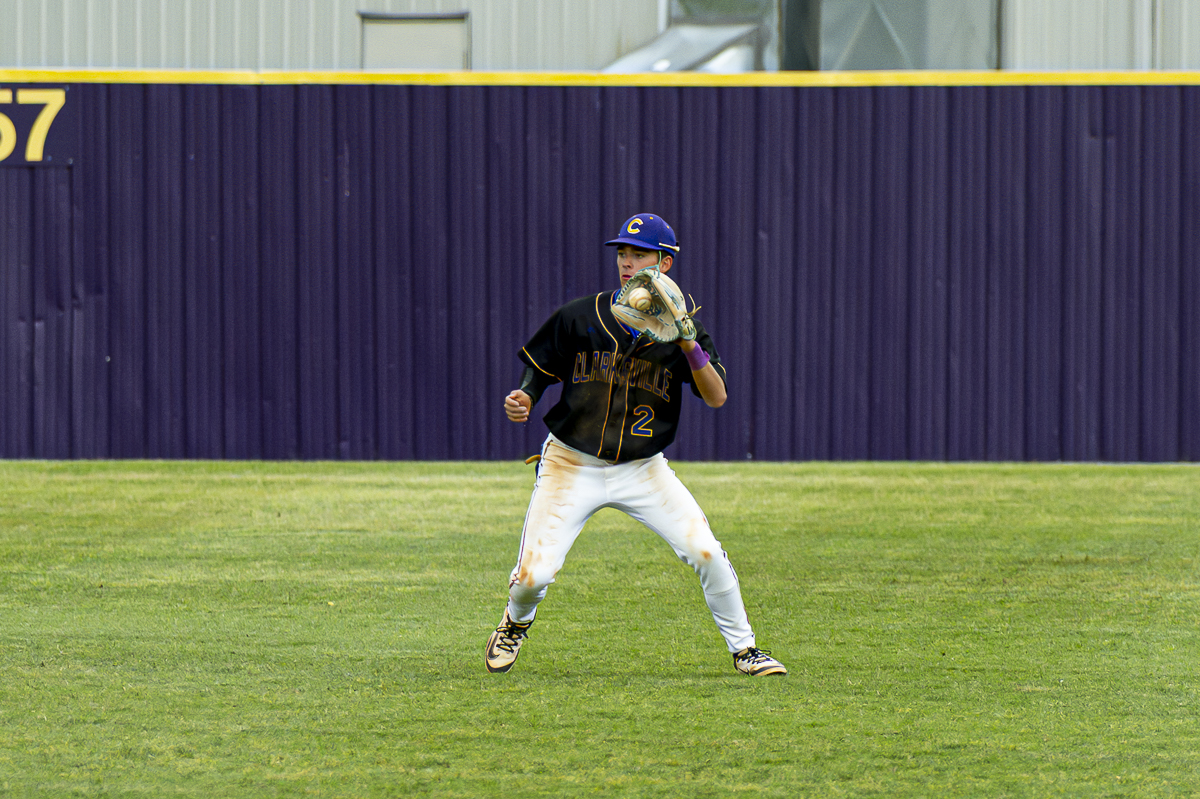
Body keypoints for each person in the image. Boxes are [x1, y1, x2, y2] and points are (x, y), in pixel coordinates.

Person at [485, 213, 786, 677]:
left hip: (643, 469)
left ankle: (746, 649)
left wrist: (688, 344)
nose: (627, 262)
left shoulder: (684, 332)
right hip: (570, 462)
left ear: (664, 263)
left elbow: (717, 397)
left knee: (706, 551)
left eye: (639, 254)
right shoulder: (583, 314)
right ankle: (515, 623)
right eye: (622, 253)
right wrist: (524, 394)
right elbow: (540, 366)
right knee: (532, 577)